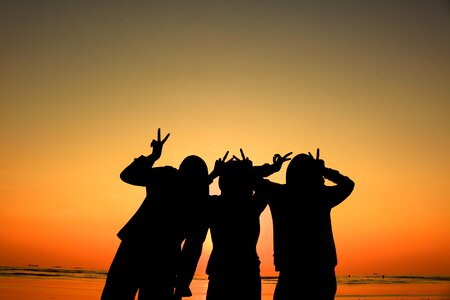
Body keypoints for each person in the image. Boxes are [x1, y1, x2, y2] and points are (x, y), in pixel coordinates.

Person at [101, 129, 217, 300]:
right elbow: (193, 249)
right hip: (154, 257)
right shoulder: (176, 184)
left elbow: (193, 247)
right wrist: (182, 283)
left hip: (145, 253)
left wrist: (153, 157)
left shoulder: (168, 178)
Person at [255, 149, 355, 300]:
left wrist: (272, 168)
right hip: (322, 273)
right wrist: (323, 170)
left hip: (291, 274)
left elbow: (250, 177)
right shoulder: (322, 195)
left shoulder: (279, 194)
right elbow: (348, 184)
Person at [204, 150, 290, 300]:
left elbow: (193, 194)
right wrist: (252, 171)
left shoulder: (214, 205)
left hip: (220, 272)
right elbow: (264, 187)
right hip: (247, 272)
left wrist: (214, 173)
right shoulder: (251, 206)